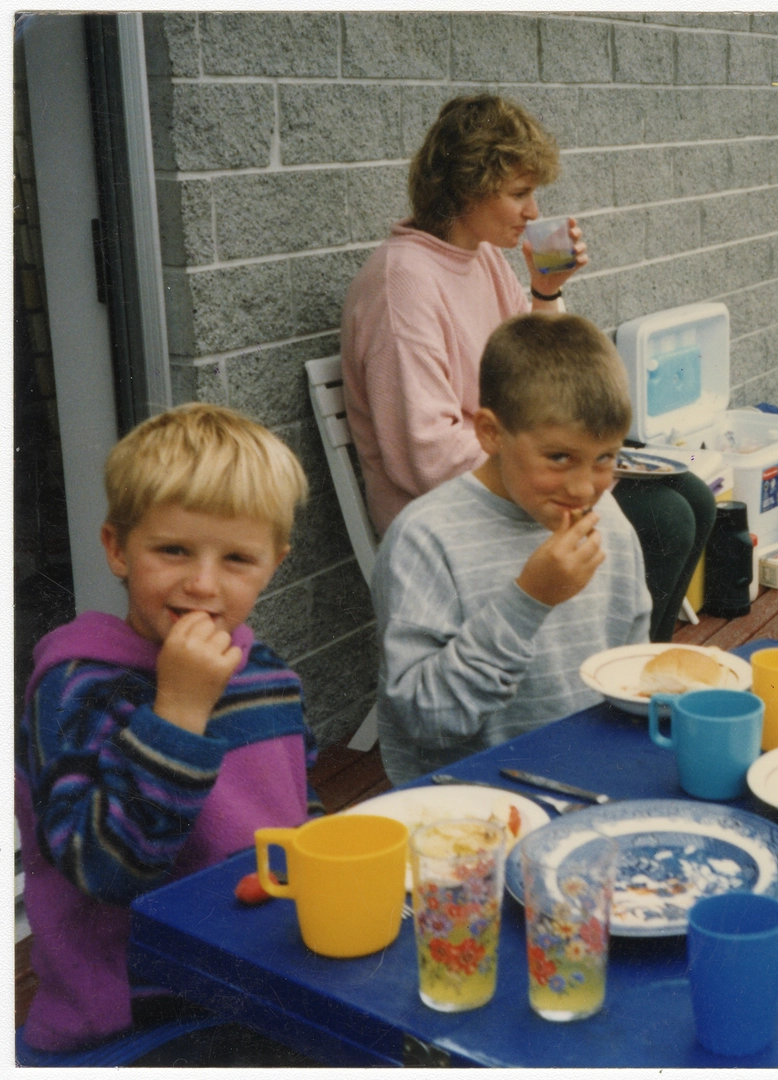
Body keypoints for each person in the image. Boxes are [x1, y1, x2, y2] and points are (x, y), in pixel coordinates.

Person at [341, 93, 714, 642]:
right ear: (465, 187)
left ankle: (622, 669)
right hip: (452, 508)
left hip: (518, 473)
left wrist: (546, 289)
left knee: (695, 498)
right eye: (519, 193)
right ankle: (603, 680)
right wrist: (554, 472)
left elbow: (544, 380)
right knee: (665, 518)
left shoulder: (484, 257)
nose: (534, 211)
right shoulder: (404, 282)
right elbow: (424, 456)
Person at [16, 404, 316, 1053]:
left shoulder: (266, 674)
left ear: (274, 563)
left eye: (237, 558)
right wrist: (178, 711)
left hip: (266, 972)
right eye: (173, 549)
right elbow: (100, 867)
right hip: (142, 1012)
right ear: (118, 547)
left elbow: (295, 805)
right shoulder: (76, 685)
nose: (202, 584)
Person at [372, 313, 651, 785]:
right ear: (490, 433)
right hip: (469, 803)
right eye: (559, 457)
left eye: (605, 457)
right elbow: (425, 721)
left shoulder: (613, 526)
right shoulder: (426, 538)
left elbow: (632, 671)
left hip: (592, 779)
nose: (585, 488)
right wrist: (530, 601)